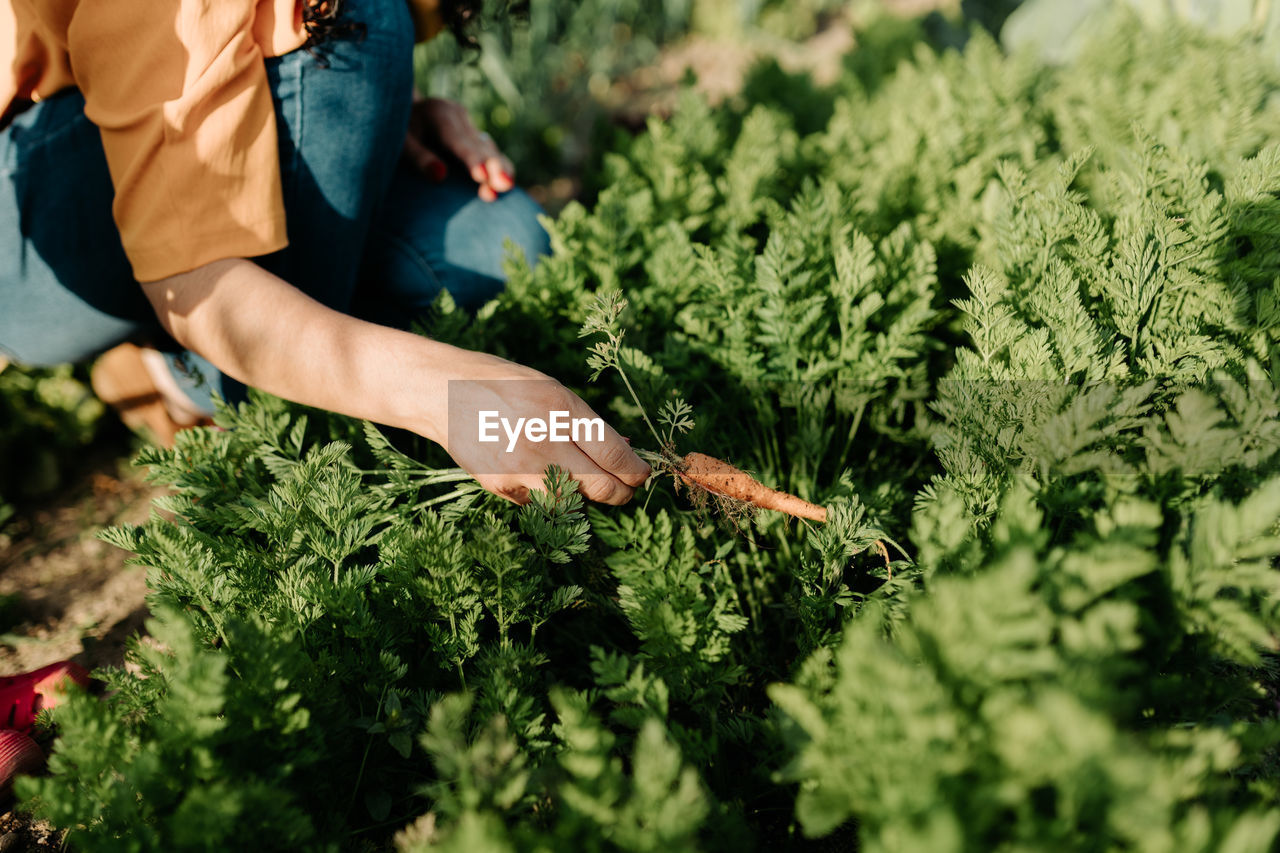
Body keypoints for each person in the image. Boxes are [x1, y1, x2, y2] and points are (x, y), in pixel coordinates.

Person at [0, 0, 651, 506]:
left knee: (502, 244)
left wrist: (394, 108)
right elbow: (194, 286)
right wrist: (447, 393)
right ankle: (252, 424)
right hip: (26, 233)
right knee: (359, 15)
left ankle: (184, 376)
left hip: (139, 131)